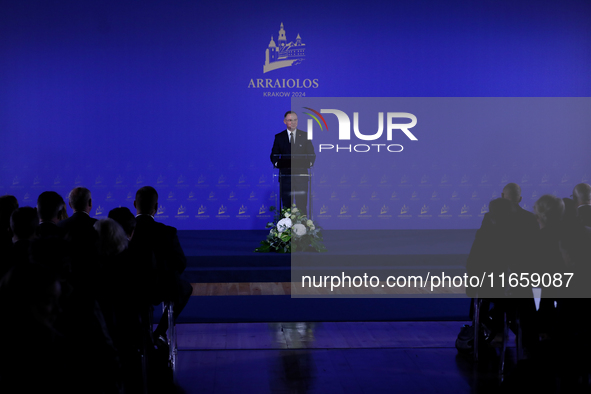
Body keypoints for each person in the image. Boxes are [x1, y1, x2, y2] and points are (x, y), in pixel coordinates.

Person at [130, 186, 192, 346]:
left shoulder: (125, 231)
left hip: (131, 287)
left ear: (135, 204)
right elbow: (180, 262)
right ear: (156, 207)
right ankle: (159, 332)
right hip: (161, 287)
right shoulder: (167, 232)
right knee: (184, 288)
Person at [270, 111, 316, 217]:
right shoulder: (279, 137)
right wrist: (277, 163)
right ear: (285, 121)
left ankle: (303, 229)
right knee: (286, 205)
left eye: (295, 120)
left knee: (302, 204)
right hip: (286, 177)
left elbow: (312, 154)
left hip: (301, 176)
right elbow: (274, 155)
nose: (293, 122)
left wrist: (308, 163)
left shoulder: (305, 136)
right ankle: (286, 230)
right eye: (290, 120)